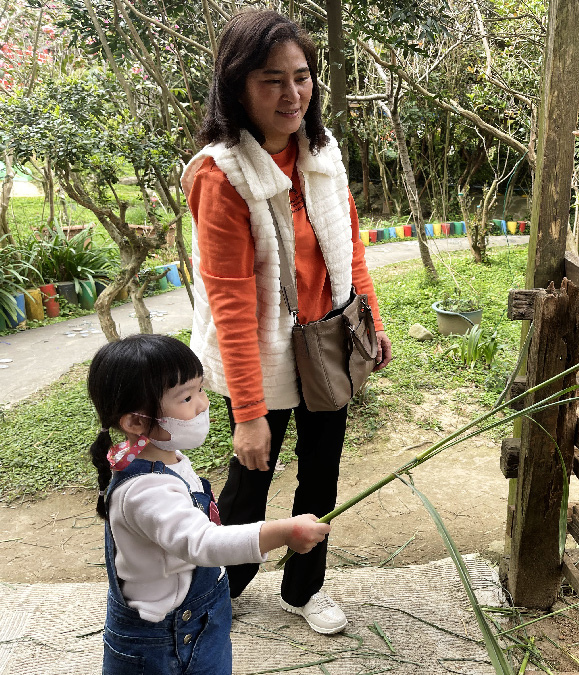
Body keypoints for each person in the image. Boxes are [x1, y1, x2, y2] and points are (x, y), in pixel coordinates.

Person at [182, 9, 392, 635]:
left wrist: (370, 322)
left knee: (320, 479)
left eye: (301, 76)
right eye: (272, 79)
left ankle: (304, 590)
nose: (292, 93)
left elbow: (349, 248)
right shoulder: (223, 177)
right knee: (249, 481)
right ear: (237, 86)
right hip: (261, 355)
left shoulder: (322, 154)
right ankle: (221, 587)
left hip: (326, 340)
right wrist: (248, 413)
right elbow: (229, 302)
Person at [87, 334, 331, 674]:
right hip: (167, 638)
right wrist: (282, 532)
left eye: (201, 389)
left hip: (199, 613)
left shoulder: (165, 458)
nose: (203, 404)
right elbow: (203, 542)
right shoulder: (146, 491)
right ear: (136, 421)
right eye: (187, 397)